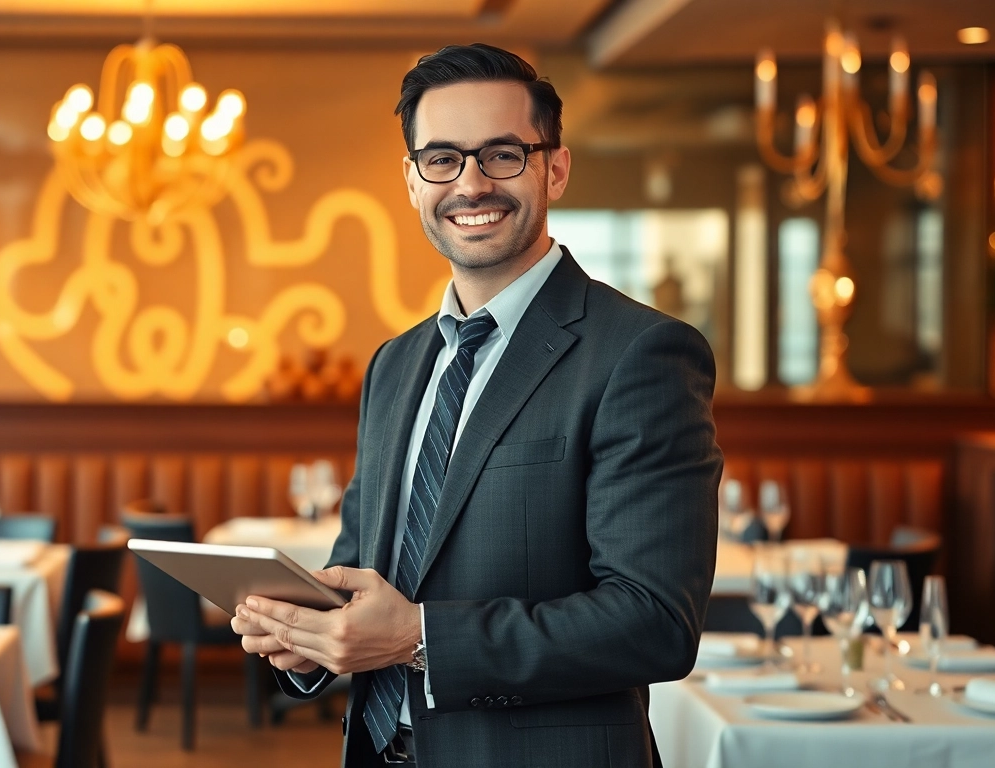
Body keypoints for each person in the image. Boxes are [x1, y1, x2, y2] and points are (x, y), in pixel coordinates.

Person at [232, 43, 720, 768]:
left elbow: (654, 623)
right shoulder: (394, 364)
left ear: (554, 166)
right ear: (411, 180)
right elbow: (361, 570)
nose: (470, 184)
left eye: (501, 155)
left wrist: (416, 637)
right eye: (442, 159)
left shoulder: (641, 354)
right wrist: (308, 638)